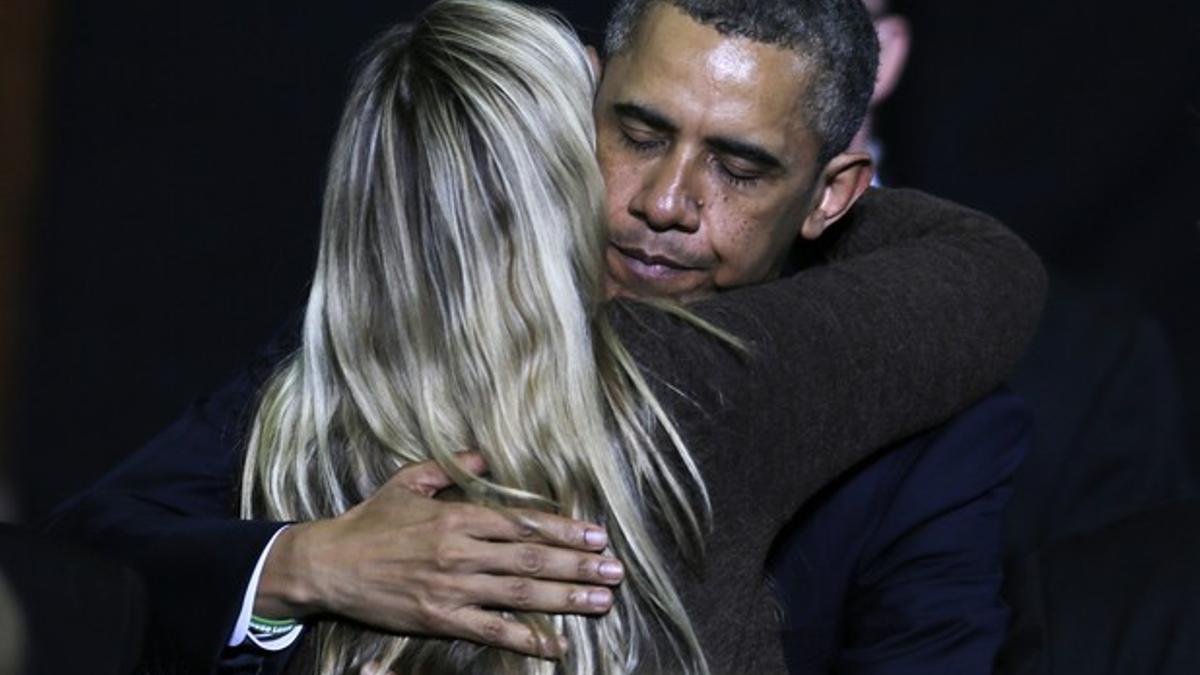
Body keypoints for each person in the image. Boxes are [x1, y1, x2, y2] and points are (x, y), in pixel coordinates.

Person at [43, 0, 1046, 672]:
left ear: (833, 197)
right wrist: (303, 563)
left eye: (738, 169)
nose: (664, 203)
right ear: (577, 109)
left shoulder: (925, 418)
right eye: (639, 133)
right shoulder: (413, 329)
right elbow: (95, 553)